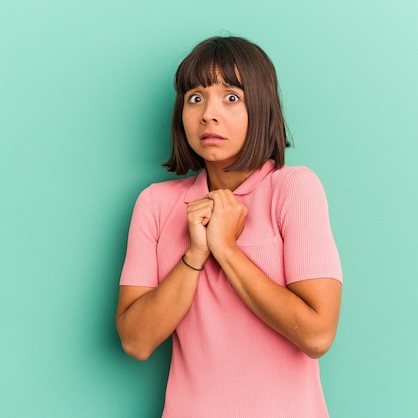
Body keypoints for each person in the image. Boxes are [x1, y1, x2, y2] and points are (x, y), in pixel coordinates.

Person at [116, 36, 342, 418]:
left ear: (261, 106)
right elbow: (136, 341)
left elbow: (317, 335)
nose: (208, 114)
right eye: (195, 97)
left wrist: (227, 250)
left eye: (231, 97)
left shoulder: (293, 188)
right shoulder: (155, 203)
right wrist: (196, 254)